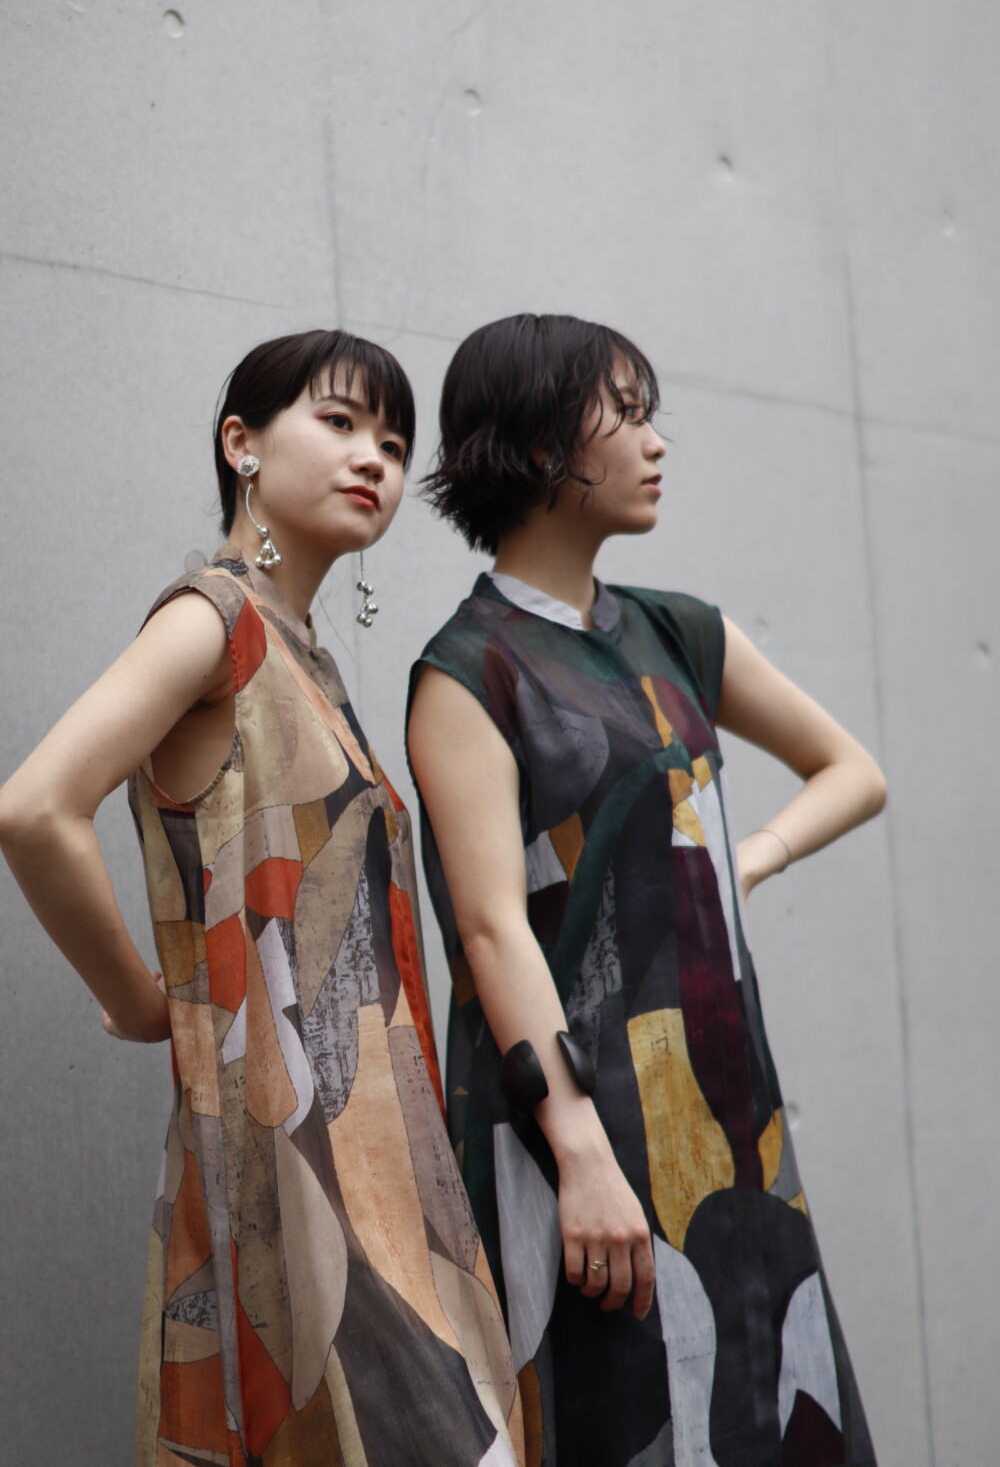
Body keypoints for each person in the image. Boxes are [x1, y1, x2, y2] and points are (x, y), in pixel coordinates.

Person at [0, 330, 525, 1467]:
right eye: (339, 423)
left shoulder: (303, 654)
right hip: (291, 1160)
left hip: (380, 1154)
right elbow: (35, 808)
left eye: (394, 443)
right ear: (242, 443)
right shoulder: (214, 619)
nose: (374, 458)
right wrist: (143, 1000)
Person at [406, 313, 886, 1467]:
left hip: (727, 1118)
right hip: (580, 1132)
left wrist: (743, 860)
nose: (655, 441)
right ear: (537, 447)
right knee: (621, 1421)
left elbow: (852, 772)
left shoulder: (680, 631)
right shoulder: (469, 672)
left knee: (775, 1406)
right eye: (623, 414)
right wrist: (578, 1154)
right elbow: (490, 930)